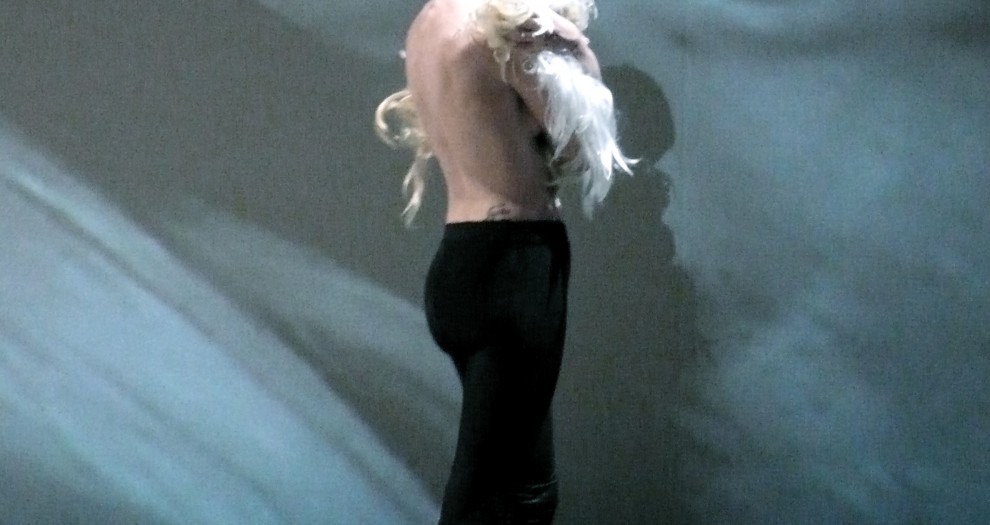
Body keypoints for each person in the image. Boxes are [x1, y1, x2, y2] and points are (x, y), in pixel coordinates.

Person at [375, 1, 633, 522]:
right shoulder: (507, 23)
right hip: (514, 267)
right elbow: (578, 141)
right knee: (498, 491)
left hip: (460, 264)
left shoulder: (428, 23)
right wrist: (576, 45)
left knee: (524, 486)